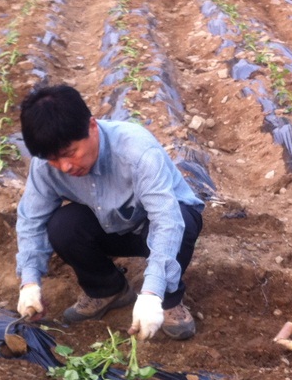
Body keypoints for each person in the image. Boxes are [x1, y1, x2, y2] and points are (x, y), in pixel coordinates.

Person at [14, 84, 204, 341]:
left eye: (70, 154)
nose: (65, 166)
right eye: (53, 159)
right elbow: (31, 219)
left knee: (181, 220)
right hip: (111, 224)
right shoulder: (46, 167)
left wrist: (152, 294)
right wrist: (29, 282)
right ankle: (107, 289)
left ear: (92, 126)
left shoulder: (137, 152)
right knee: (62, 225)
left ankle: (169, 302)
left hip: (159, 222)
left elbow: (166, 221)